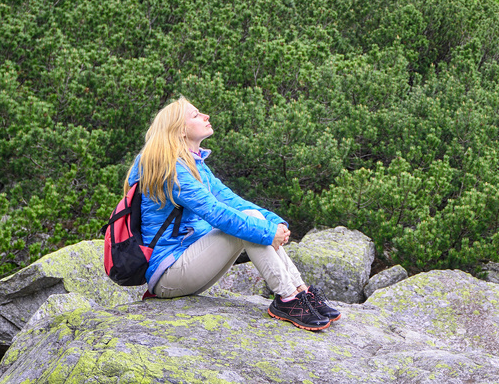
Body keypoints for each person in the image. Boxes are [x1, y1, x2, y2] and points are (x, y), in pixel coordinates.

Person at [126, 96, 340, 331]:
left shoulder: (194, 165)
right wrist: (268, 231)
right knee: (251, 227)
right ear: (180, 130)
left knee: (254, 221)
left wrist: (274, 221)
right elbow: (216, 213)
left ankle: (301, 292)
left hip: (189, 265)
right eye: (196, 115)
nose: (206, 116)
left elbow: (231, 201)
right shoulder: (171, 170)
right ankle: (288, 298)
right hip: (169, 275)